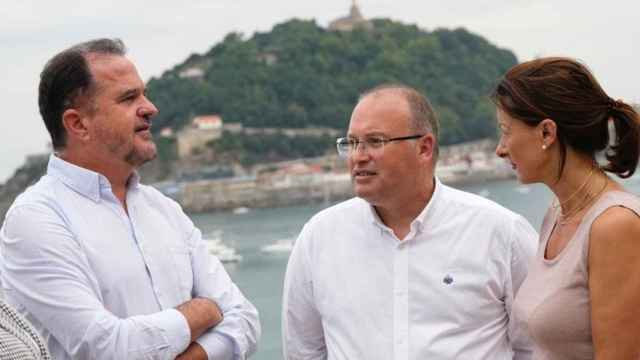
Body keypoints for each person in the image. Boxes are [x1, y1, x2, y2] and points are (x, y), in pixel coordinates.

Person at [0, 38, 260, 360]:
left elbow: (245, 319)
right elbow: (108, 348)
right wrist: (203, 310)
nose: (150, 108)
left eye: (144, 93)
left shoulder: (163, 209)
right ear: (78, 124)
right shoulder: (36, 220)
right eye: (128, 98)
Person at [282, 84, 538, 359]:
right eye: (352, 143)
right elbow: (303, 351)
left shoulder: (501, 232)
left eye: (375, 141)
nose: (358, 156)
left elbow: (537, 347)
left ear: (424, 148)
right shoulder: (319, 237)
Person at [493, 57, 640, 359]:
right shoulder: (559, 211)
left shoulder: (615, 226)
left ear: (547, 132)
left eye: (506, 131)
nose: (500, 148)